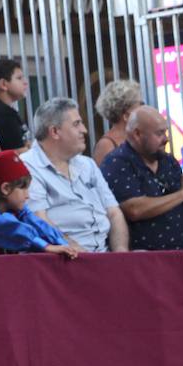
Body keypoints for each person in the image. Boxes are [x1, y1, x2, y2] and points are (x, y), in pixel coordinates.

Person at [101, 106, 183, 251]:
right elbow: (134, 210)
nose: (166, 139)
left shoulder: (168, 161)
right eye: (159, 133)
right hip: (142, 259)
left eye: (166, 132)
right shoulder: (117, 162)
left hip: (181, 253)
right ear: (137, 134)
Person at [21, 98, 129, 253]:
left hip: (104, 256)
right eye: (76, 124)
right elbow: (40, 221)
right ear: (55, 132)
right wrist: (84, 257)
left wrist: (121, 255)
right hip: (63, 260)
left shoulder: (87, 164)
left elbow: (114, 212)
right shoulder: (28, 166)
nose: (84, 130)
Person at [92, 80, 143, 164]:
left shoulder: (138, 136)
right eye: (140, 104)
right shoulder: (106, 145)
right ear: (126, 116)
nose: (143, 109)